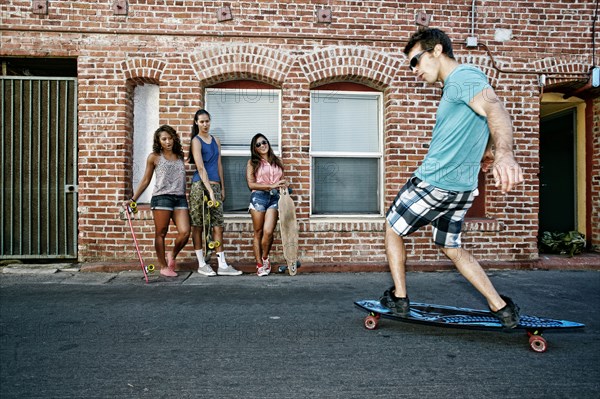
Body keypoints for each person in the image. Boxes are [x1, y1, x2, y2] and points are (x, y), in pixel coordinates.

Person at [381, 28, 525, 328]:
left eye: (416, 61)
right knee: (451, 246)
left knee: (393, 228)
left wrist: (505, 155)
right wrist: (488, 151)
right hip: (462, 189)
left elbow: (495, 109)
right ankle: (502, 309)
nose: (415, 70)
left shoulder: (463, 77)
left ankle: (400, 298)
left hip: (435, 181)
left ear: (436, 51)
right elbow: (484, 118)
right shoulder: (457, 87)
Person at [126, 125, 190, 278]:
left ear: (174, 138)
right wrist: (133, 199)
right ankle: (163, 266)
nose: (168, 141)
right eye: (164, 139)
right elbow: (146, 180)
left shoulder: (179, 156)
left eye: (170, 138)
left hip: (179, 197)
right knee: (161, 233)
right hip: (162, 198)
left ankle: (172, 254)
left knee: (185, 232)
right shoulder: (154, 157)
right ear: (159, 141)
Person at [188, 109, 242, 276]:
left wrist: (222, 187)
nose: (205, 124)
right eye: (202, 121)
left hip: (215, 186)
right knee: (198, 225)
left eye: (207, 121)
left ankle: (222, 265)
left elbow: (219, 165)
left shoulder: (215, 141)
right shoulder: (196, 141)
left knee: (218, 225)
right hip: (200, 186)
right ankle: (202, 263)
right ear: (196, 122)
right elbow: (200, 167)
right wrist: (209, 190)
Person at [246, 134, 287, 276]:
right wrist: (271, 185)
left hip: (274, 198)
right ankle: (259, 264)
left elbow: (281, 180)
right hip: (259, 197)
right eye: (258, 144)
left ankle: (265, 258)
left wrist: (283, 185)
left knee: (268, 231)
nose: (262, 145)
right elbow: (250, 184)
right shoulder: (252, 162)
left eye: (264, 142)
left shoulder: (278, 161)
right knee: (258, 232)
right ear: (255, 148)